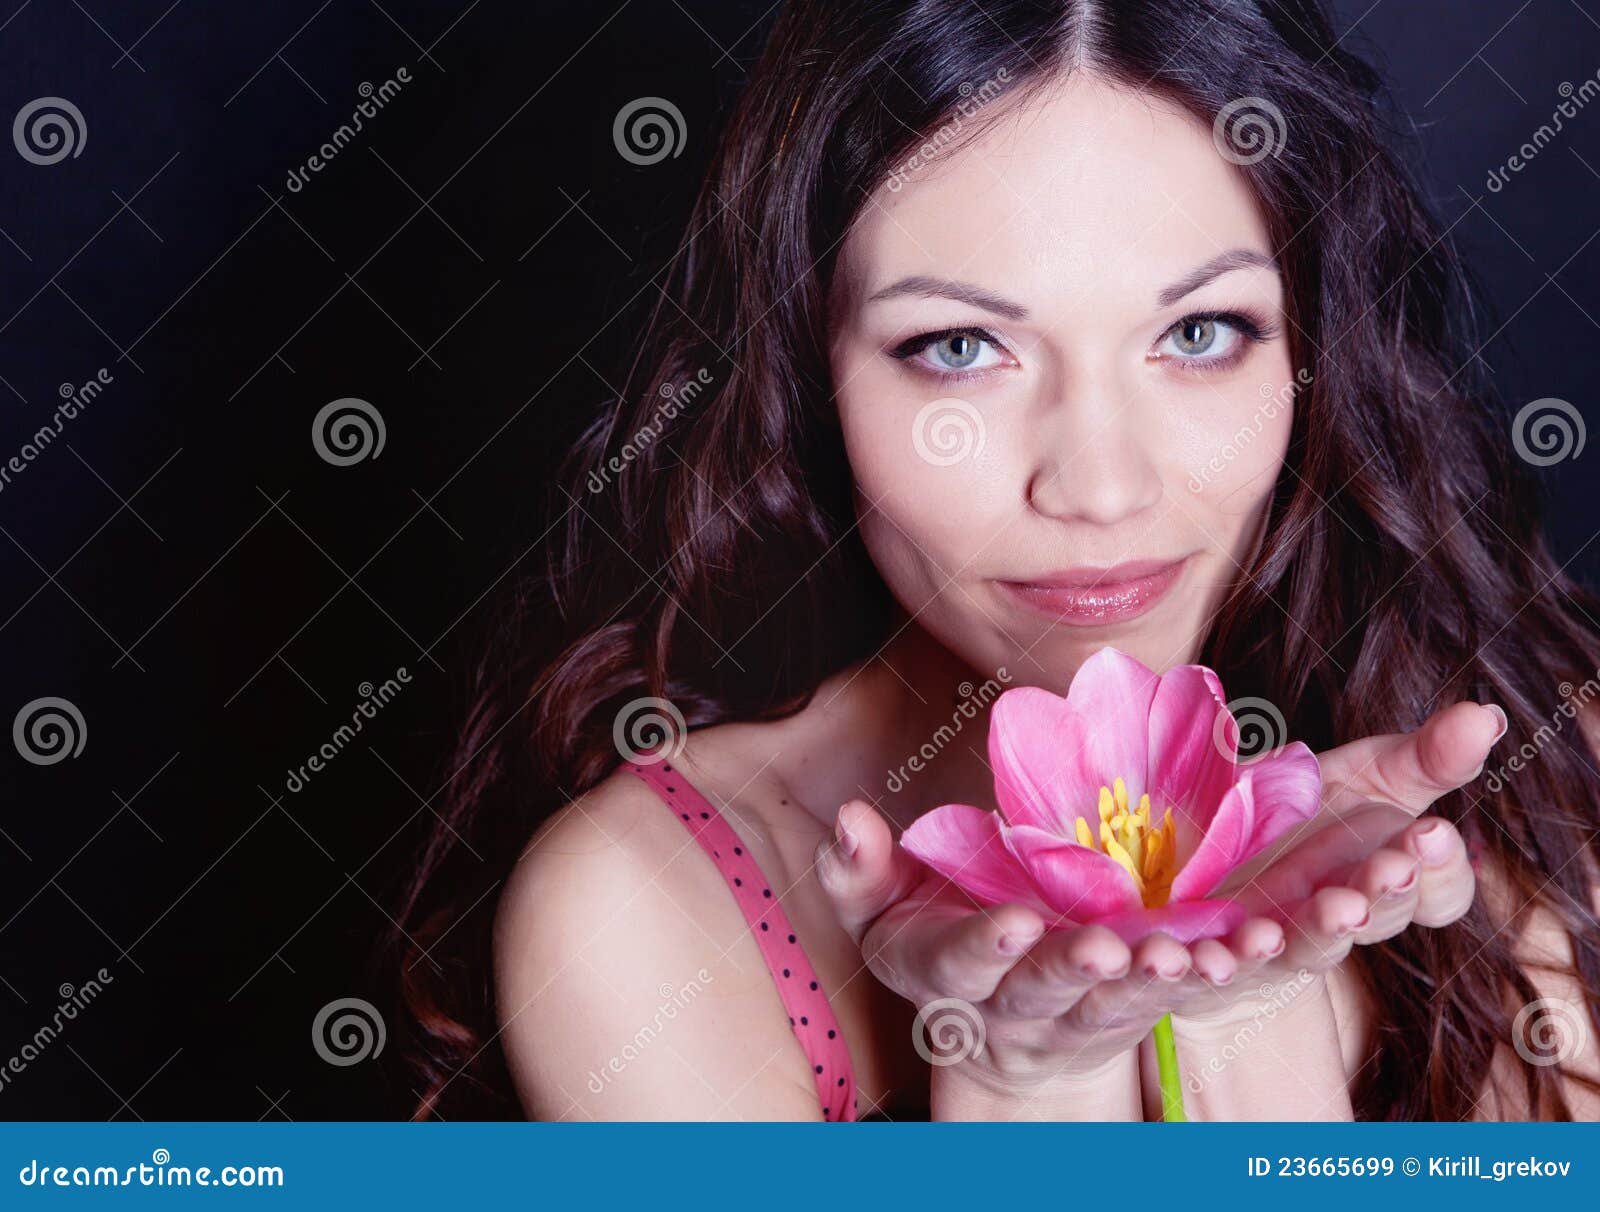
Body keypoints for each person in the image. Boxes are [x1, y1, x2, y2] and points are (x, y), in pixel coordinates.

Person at [396, 0, 1600, 1121]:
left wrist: (1246, 1022)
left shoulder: (1533, 767)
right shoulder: (648, 912)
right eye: (960, 347)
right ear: (806, 378)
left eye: (1198, 333)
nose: (1100, 487)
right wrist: (1024, 1080)